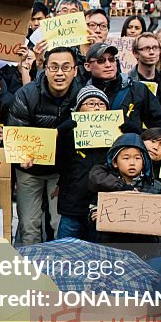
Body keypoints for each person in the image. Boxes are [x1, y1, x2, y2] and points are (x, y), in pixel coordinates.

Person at [8, 46, 80, 244]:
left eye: (66, 67)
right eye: (53, 67)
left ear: (75, 70)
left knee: (61, 225)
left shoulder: (83, 96)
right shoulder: (26, 94)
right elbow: (17, 132)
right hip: (30, 170)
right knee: (29, 225)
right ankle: (30, 270)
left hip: (63, 173)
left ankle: (59, 271)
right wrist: (21, 156)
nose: (59, 73)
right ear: (44, 69)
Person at [88, 133, 161, 257]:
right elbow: (92, 209)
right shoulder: (106, 186)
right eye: (126, 158)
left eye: (137, 158)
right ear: (115, 162)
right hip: (111, 250)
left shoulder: (157, 188)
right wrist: (93, 215)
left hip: (145, 252)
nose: (132, 163)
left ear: (144, 162)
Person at [83, 43, 161, 138]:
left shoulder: (138, 90)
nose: (108, 65)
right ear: (87, 66)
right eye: (100, 61)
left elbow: (160, 124)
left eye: (111, 59)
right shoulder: (81, 93)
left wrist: (139, 133)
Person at [54, 86, 110, 241]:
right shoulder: (68, 134)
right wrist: (61, 134)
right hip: (72, 208)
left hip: (101, 210)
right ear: (78, 110)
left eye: (101, 104)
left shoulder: (116, 136)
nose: (97, 108)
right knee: (63, 255)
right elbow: (56, 162)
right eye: (91, 103)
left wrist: (130, 134)